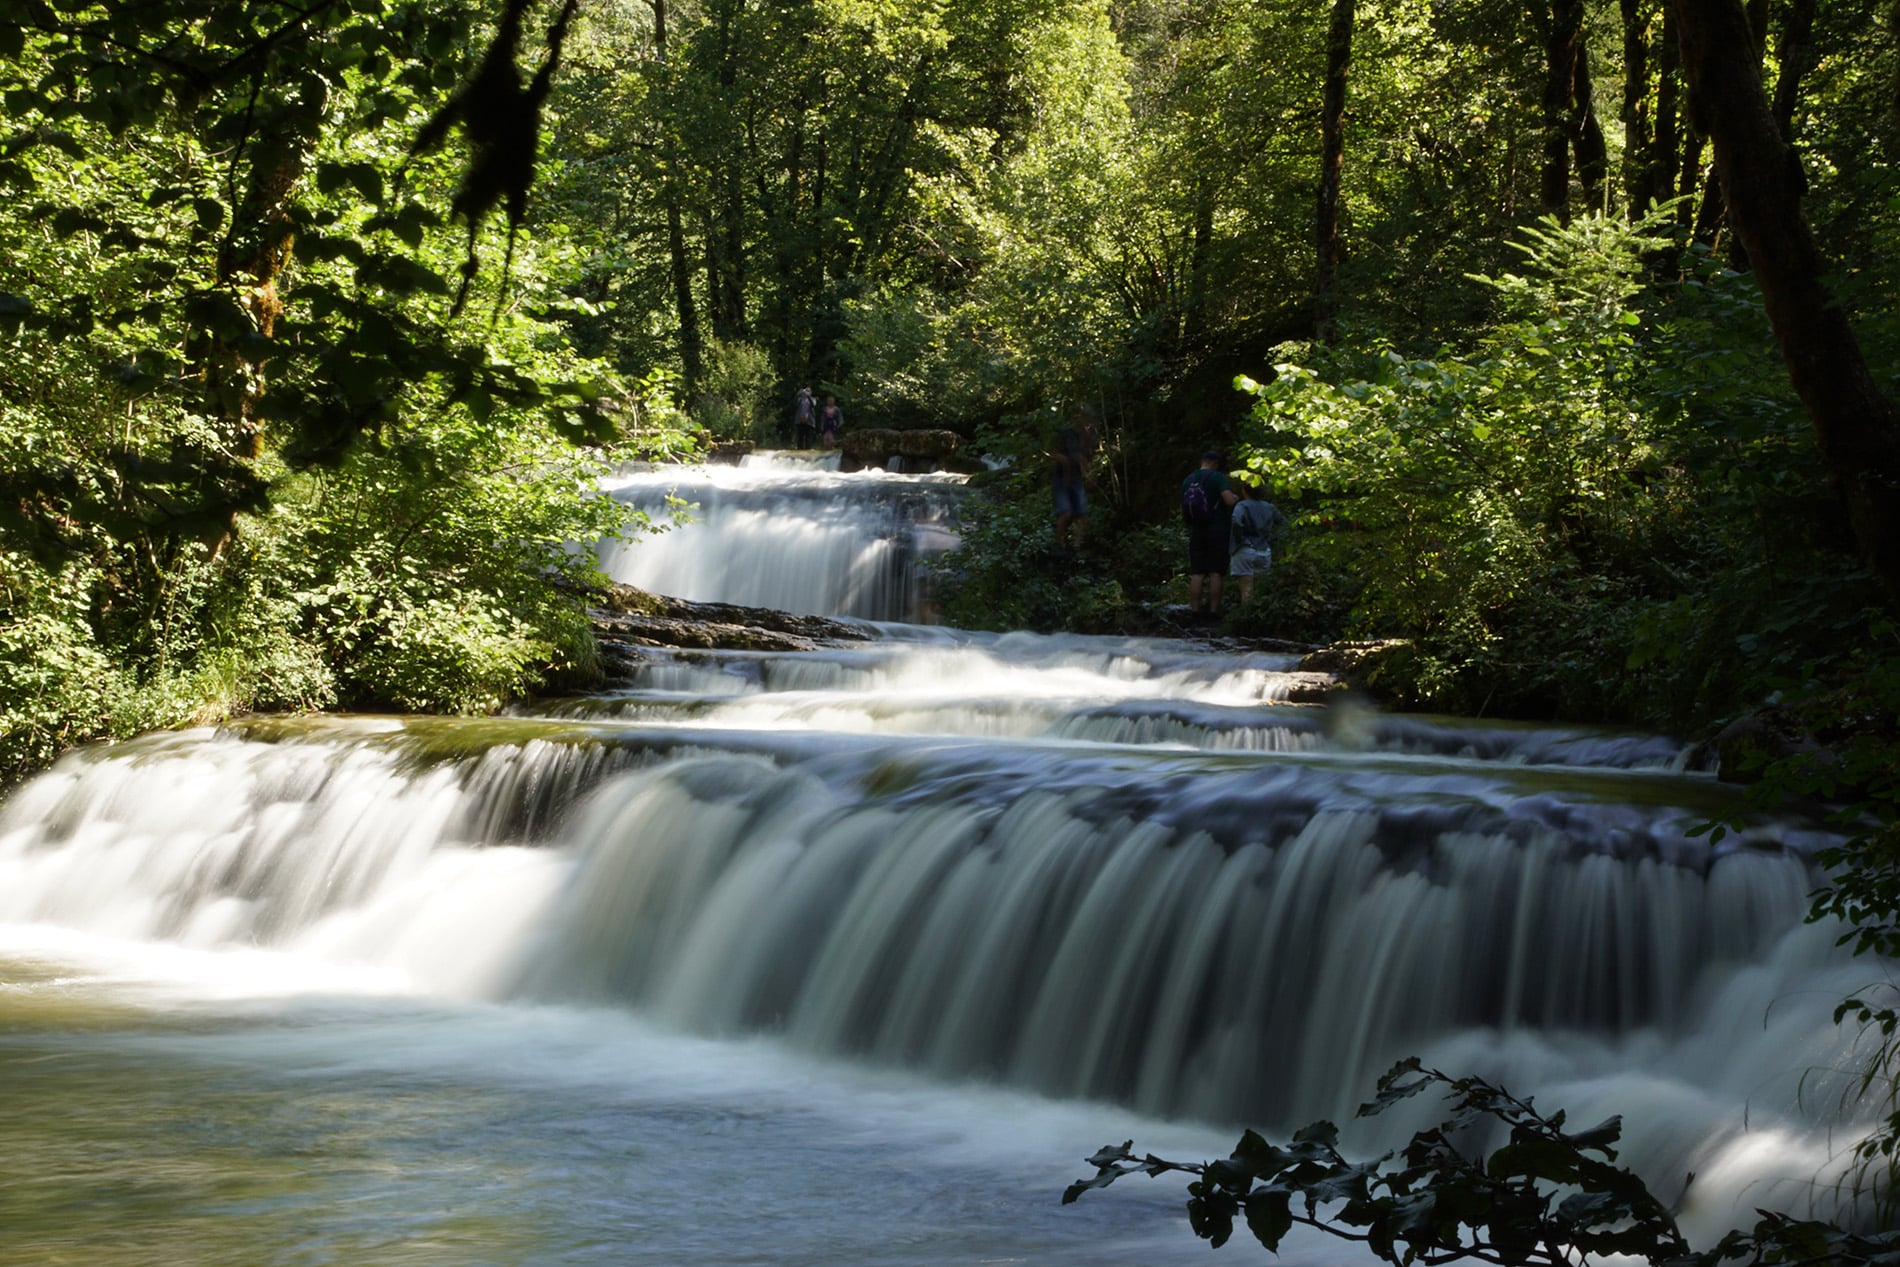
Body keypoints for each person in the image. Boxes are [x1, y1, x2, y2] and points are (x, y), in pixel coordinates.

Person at [1181, 450, 1239, 620]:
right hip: (1217, 529)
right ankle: (1213, 612)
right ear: (1215, 463)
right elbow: (1228, 500)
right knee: (1215, 572)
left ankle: (1194, 611)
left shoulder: (1188, 480)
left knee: (1197, 573)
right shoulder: (1218, 478)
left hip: (1196, 530)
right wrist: (1235, 498)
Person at [1227, 479, 1288, 606]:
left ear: (1244, 491)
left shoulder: (1242, 505)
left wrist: (1239, 538)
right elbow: (1285, 525)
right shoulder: (1269, 507)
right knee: (1261, 590)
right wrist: (1273, 540)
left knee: (1247, 590)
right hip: (1264, 550)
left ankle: (1246, 620)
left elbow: (1236, 521)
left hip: (1244, 549)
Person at [1051, 425, 1088, 551]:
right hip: (1061, 478)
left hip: (1076, 478)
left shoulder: (1080, 436)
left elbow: (1082, 457)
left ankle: (1077, 546)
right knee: (1066, 513)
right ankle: (1061, 544)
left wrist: (1088, 471)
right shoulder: (1063, 436)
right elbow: (1056, 454)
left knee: (1081, 514)